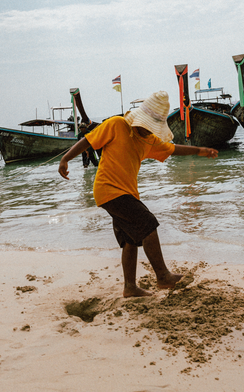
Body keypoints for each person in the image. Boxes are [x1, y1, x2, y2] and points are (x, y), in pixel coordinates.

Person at [58, 91, 218, 298]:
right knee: (148, 224)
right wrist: (65, 158)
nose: (146, 130)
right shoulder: (117, 125)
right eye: (145, 125)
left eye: (151, 127)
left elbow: (172, 149)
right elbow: (88, 140)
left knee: (130, 239)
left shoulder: (149, 141)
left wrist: (199, 150)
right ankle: (163, 276)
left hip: (126, 193)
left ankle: (130, 287)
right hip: (108, 189)